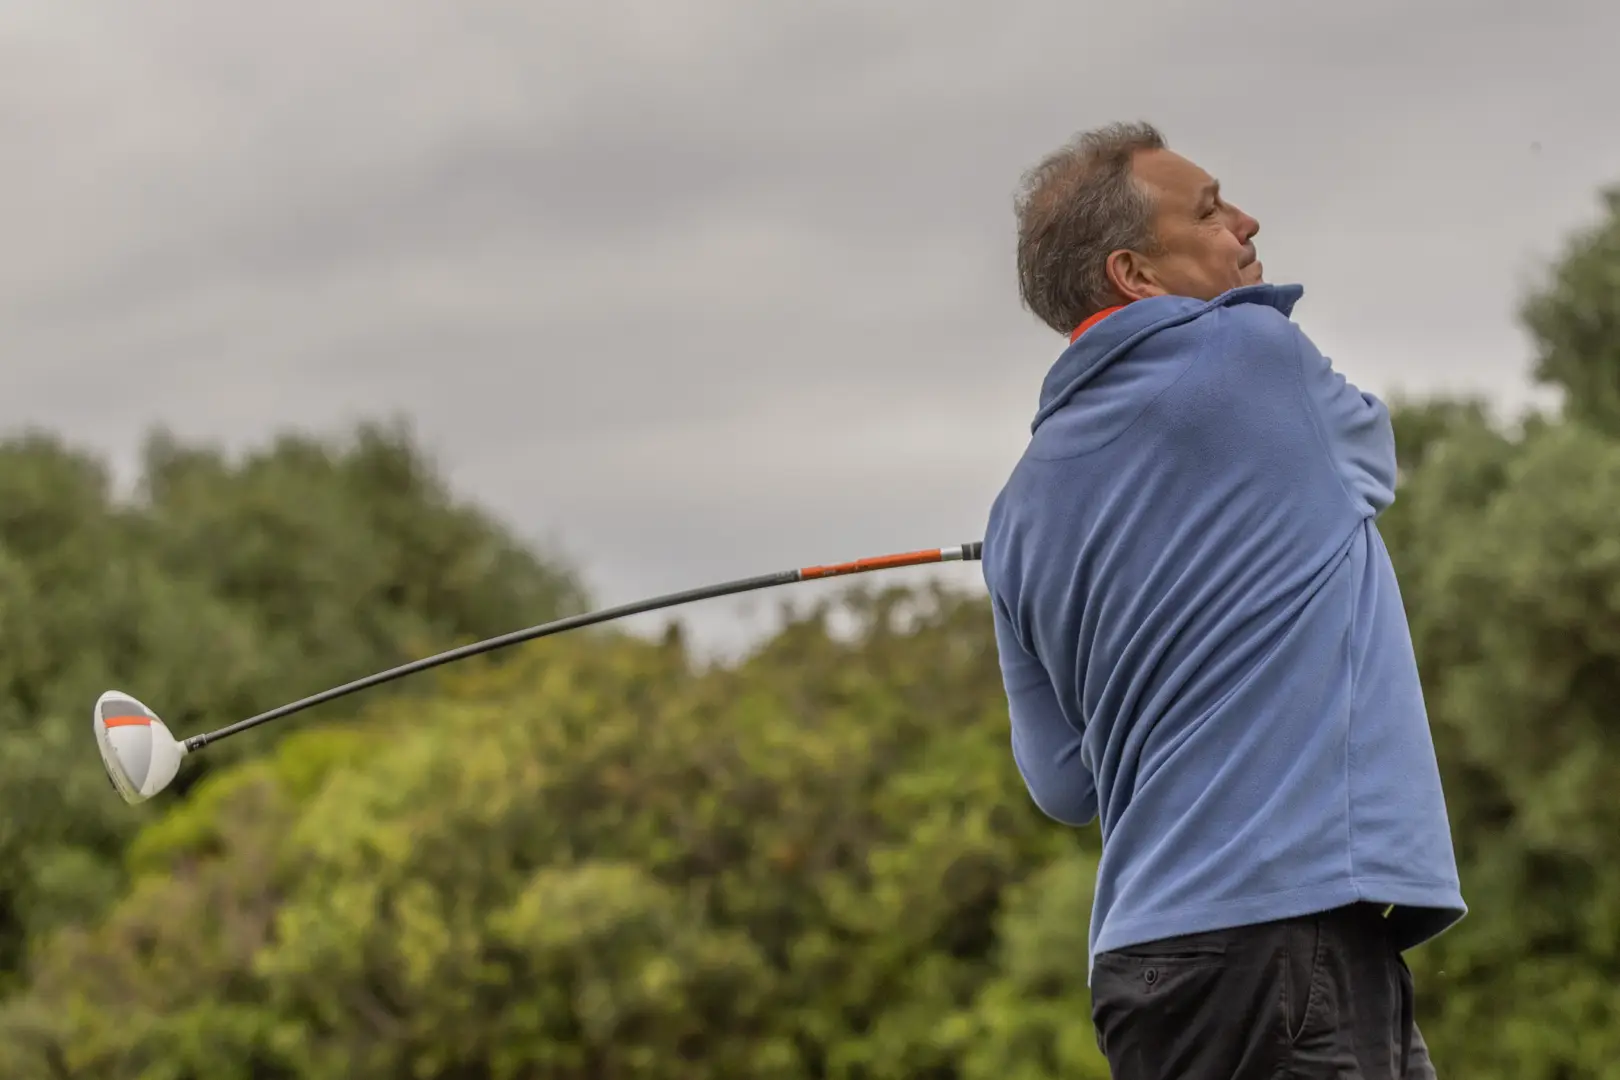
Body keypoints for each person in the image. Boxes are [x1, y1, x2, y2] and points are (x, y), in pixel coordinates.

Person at [981, 121, 1467, 1079]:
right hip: (1284, 945)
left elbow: (1065, 785)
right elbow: (1367, 459)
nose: (1246, 222)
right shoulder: (1255, 352)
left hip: (1150, 968)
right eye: (1208, 212)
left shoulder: (1014, 516)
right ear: (1134, 275)